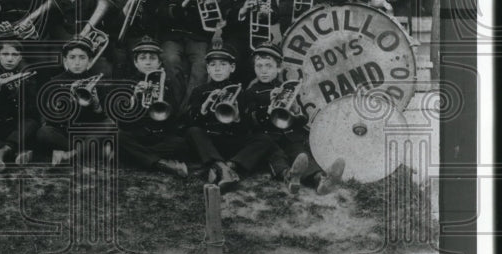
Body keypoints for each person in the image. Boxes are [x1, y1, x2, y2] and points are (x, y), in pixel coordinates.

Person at [241, 44, 345, 195]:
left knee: (300, 153)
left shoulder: (287, 87)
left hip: (289, 135)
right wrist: (268, 108)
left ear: (278, 68)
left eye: (269, 66)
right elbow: (251, 122)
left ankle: (321, 179)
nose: (263, 71)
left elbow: (301, 122)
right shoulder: (251, 91)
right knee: (276, 155)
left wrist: (296, 110)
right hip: (268, 138)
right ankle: (289, 177)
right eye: (259, 66)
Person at [178, 43, 280, 194]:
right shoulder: (199, 91)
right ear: (207, 69)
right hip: (209, 141)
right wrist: (205, 106)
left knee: (264, 139)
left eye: (223, 64)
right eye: (213, 65)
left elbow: (246, 129)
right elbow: (190, 122)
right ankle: (224, 168)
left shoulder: (239, 91)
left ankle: (227, 166)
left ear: (232, 68)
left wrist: (238, 117)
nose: (217, 69)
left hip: (231, 141)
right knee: (193, 131)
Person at [111, 36, 189, 176]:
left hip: (159, 136)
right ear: (135, 63)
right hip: (137, 135)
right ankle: (161, 163)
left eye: (152, 58)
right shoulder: (127, 84)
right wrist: (134, 96)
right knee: (117, 136)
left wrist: (161, 99)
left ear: (159, 63)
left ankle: (137, 157)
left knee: (182, 143)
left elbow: (174, 118)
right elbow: (122, 122)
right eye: (143, 58)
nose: (147, 62)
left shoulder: (167, 83)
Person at [35, 38, 113, 165]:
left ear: (90, 61)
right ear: (65, 61)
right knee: (43, 133)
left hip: (89, 130)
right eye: (72, 57)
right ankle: (93, 150)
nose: (77, 62)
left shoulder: (97, 81)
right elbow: (51, 120)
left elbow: (102, 117)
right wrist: (70, 98)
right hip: (65, 132)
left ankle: (70, 154)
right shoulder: (54, 82)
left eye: (82, 58)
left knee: (110, 124)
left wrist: (96, 102)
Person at [155, 0, 210, 105]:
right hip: (172, 37)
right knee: (170, 61)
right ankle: (177, 104)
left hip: (196, 38)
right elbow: (162, 16)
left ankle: (188, 108)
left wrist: (207, 4)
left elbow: (210, 23)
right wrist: (184, 4)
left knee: (200, 66)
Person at [0, 38, 40, 167]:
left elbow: (31, 109)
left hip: (17, 122)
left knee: (31, 124)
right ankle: (14, 151)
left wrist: (17, 92)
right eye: (5, 54)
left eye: (15, 55)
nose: (9, 59)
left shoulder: (28, 75)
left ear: (20, 58)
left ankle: (0, 152)